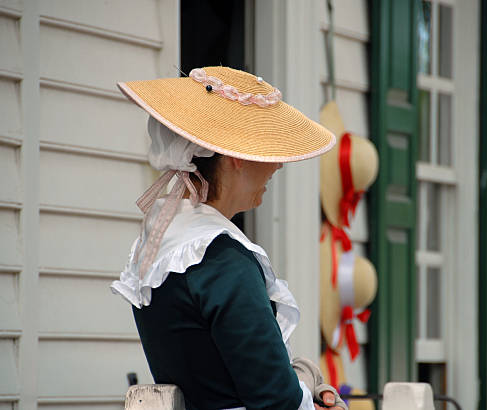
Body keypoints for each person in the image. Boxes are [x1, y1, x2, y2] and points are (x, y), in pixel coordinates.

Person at [110, 66, 347, 410]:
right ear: (236, 155)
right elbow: (275, 401)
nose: (277, 166)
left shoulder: (163, 245)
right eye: (268, 150)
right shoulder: (222, 262)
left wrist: (303, 379)